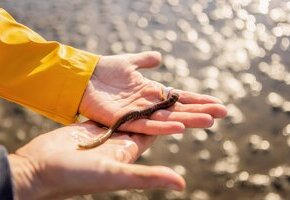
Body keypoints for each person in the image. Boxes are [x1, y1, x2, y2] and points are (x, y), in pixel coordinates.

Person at [0, 8, 227, 200]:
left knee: (122, 123)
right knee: (122, 123)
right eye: (170, 100)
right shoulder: (159, 102)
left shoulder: (158, 102)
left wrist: (78, 80)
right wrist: (23, 174)